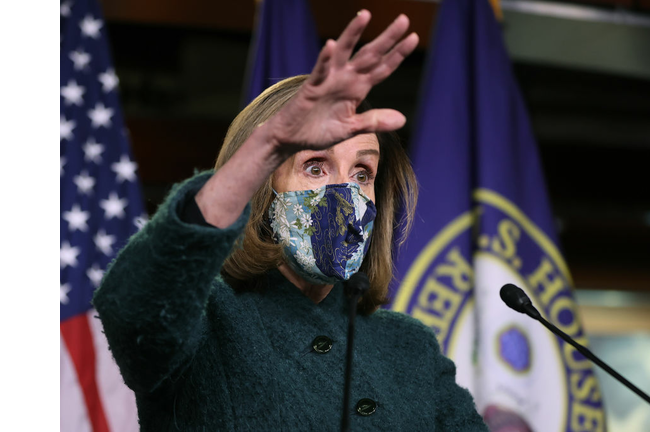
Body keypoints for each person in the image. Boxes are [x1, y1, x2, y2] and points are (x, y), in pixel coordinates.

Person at [93, 10, 489, 431]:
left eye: (362, 174)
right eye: (316, 167)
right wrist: (269, 144)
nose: (346, 193)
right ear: (264, 186)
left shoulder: (409, 347)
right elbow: (133, 309)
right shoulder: (207, 319)